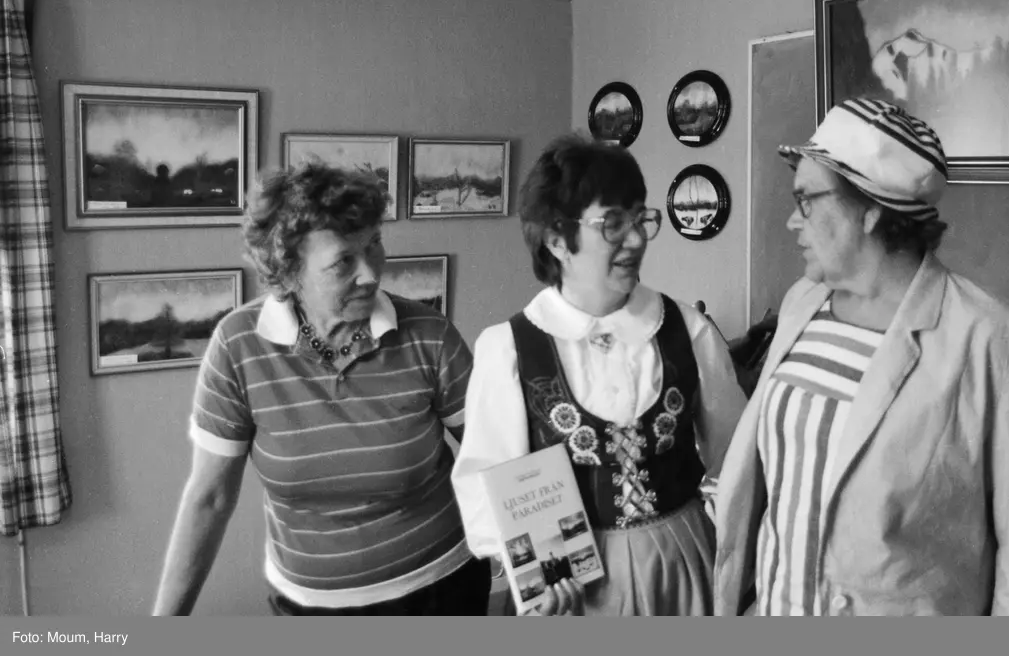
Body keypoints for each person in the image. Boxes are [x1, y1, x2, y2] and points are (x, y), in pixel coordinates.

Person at [714, 98, 1009, 616]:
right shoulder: (801, 304)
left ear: (872, 208)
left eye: (806, 199)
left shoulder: (999, 344)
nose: (792, 220)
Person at [152, 162, 490, 616]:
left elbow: (497, 458)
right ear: (288, 272)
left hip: (441, 590)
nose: (370, 273)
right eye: (343, 261)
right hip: (308, 607)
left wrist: (542, 565)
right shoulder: (238, 345)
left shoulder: (429, 335)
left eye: (374, 245)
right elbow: (209, 498)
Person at [451, 134, 747, 616]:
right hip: (575, 585)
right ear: (557, 240)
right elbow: (489, 482)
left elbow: (737, 455)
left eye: (640, 218)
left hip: (684, 562)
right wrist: (535, 579)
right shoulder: (509, 349)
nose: (636, 238)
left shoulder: (687, 330)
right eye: (613, 223)